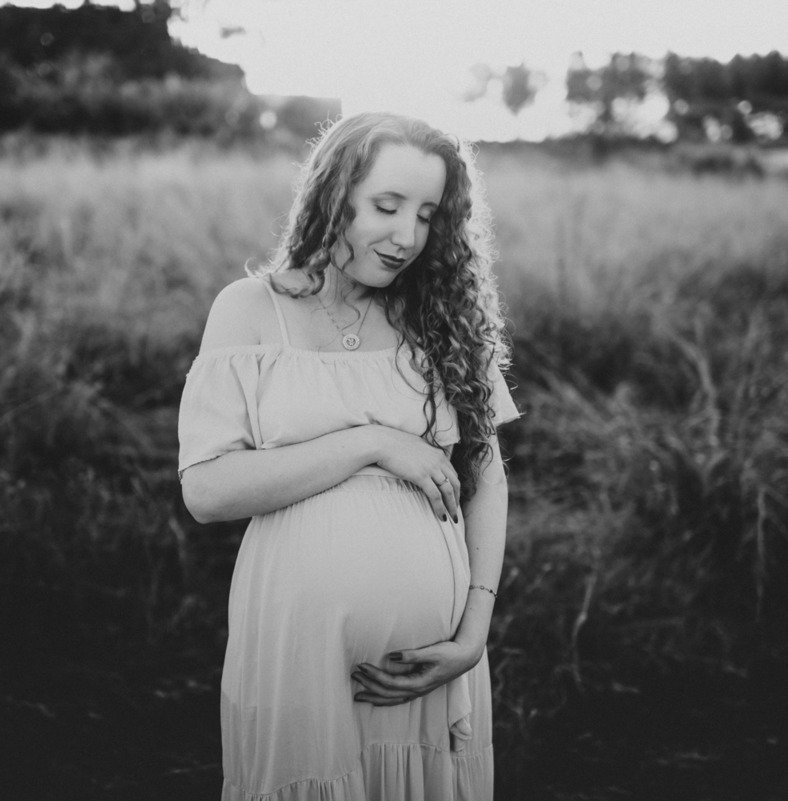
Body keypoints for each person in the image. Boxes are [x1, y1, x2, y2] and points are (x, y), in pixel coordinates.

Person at [177, 111, 520, 800]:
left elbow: (486, 474)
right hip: (299, 651)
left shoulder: (444, 316)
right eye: (386, 206)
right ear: (333, 194)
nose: (407, 237)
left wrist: (472, 633)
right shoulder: (251, 310)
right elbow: (207, 490)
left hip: (437, 662)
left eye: (427, 215)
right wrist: (373, 443)